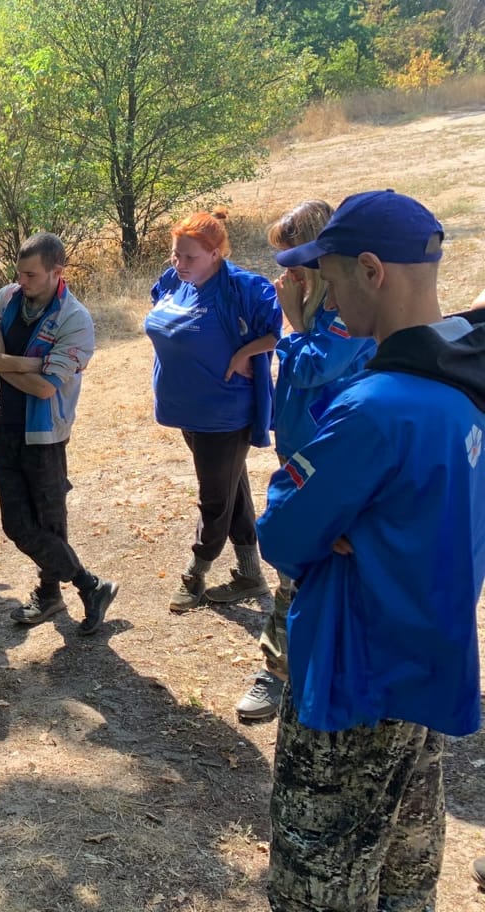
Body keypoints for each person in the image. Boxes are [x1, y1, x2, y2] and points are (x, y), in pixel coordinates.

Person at [257, 190, 485, 911]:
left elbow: (282, 532)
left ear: (371, 271)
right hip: (425, 660)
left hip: (354, 670)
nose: (321, 295)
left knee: (316, 877)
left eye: (327, 276)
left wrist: (310, 511)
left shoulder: (377, 407)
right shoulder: (463, 379)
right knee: (405, 868)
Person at [233, 201, 376, 724]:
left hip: (333, 460)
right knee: (296, 562)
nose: (286, 273)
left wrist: (293, 323)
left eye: (293, 260)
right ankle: (284, 669)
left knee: (313, 568)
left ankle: (284, 672)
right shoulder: (315, 303)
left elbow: (314, 367)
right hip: (299, 451)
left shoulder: (347, 308)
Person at [0, 232, 117, 634]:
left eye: (31, 275)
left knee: (49, 520)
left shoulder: (74, 319)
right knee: (16, 524)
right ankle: (90, 585)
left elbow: (46, 388)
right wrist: (27, 363)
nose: (22, 282)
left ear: (57, 272)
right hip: (5, 427)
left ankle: (51, 593)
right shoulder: (7, 299)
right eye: (19, 273)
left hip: (46, 434)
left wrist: (0, 360)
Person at [143, 211, 281, 613]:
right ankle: (250, 574)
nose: (179, 263)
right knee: (231, 487)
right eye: (176, 254)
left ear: (216, 253)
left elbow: (275, 331)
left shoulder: (241, 288)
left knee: (214, 499)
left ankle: (196, 572)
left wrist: (244, 352)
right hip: (187, 408)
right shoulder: (175, 281)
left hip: (224, 413)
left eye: (190, 257)